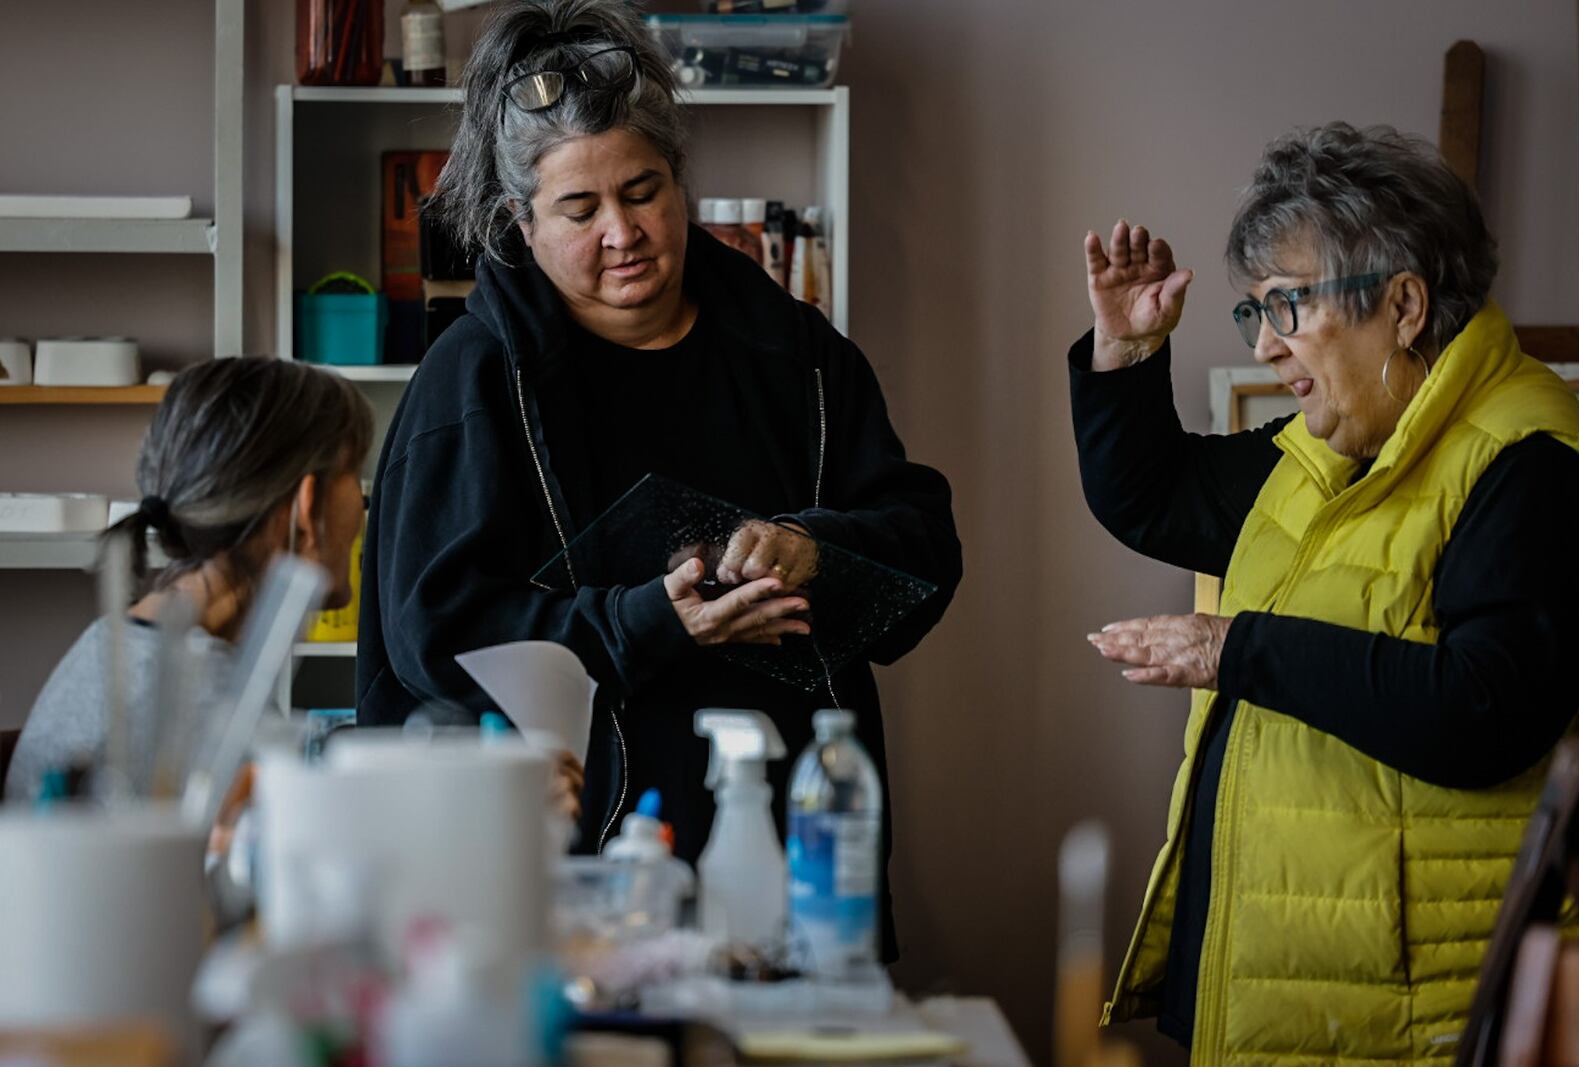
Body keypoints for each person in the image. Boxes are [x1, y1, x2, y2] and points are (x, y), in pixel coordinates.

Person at [355, 0, 961, 958]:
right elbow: (434, 637)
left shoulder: (797, 357)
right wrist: (650, 621)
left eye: (642, 191)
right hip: (577, 885)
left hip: (805, 873)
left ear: (679, 179)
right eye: (579, 208)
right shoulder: (473, 383)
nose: (622, 232)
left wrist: (816, 550)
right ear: (521, 217)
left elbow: (925, 553)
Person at [1071, 123, 1579, 1061]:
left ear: (1403, 305)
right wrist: (1126, 350)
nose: (1270, 348)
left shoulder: (1531, 464)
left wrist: (1234, 650)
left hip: (1406, 1022)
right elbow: (1154, 498)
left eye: (1289, 307)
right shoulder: (1331, 448)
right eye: (1256, 314)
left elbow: (1488, 709)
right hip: (1285, 993)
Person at [6, 358, 373, 803]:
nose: (363, 503)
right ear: (307, 507)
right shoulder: (211, 717)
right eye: (355, 477)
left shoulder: (113, 642)